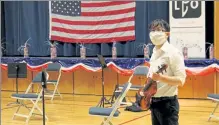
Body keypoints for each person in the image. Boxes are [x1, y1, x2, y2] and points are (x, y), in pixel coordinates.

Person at [141, 19, 187, 125]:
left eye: (158, 29)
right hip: (154, 103)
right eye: (152, 30)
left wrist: (161, 78)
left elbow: (181, 80)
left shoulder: (174, 53)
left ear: (167, 34)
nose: (154, 33)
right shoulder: (154, 52)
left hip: (168, 104)